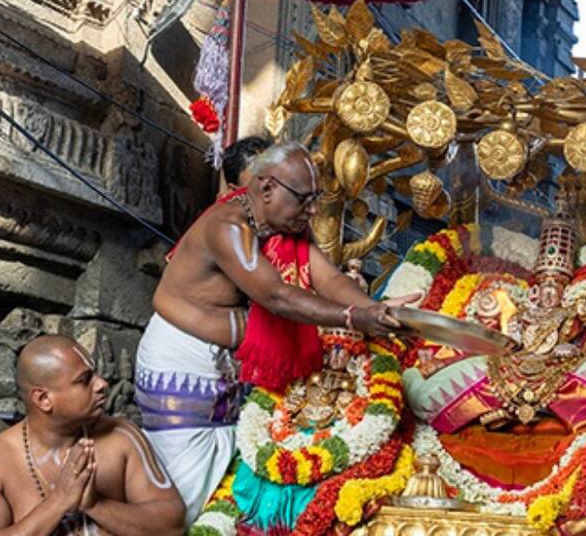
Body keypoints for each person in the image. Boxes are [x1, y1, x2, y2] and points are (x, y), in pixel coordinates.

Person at [137, 141, 415, 523]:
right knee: (182, 506)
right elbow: (277, 295)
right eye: (304, 199)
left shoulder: (283, 227)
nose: (314, 209)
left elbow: (329, 279)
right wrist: (352, 318)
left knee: (226, 493)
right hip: (182, 371)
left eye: (316, 198)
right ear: (266, 189)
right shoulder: (227, 226)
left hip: (234, 373)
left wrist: (375, 310)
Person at [0, 335, 185, 535]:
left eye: (95, 373)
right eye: (84, 380)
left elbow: (173, 526)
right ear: (43, 399)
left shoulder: (122, 437)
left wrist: (95, 505)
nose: (102, 384)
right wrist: (58, 502)